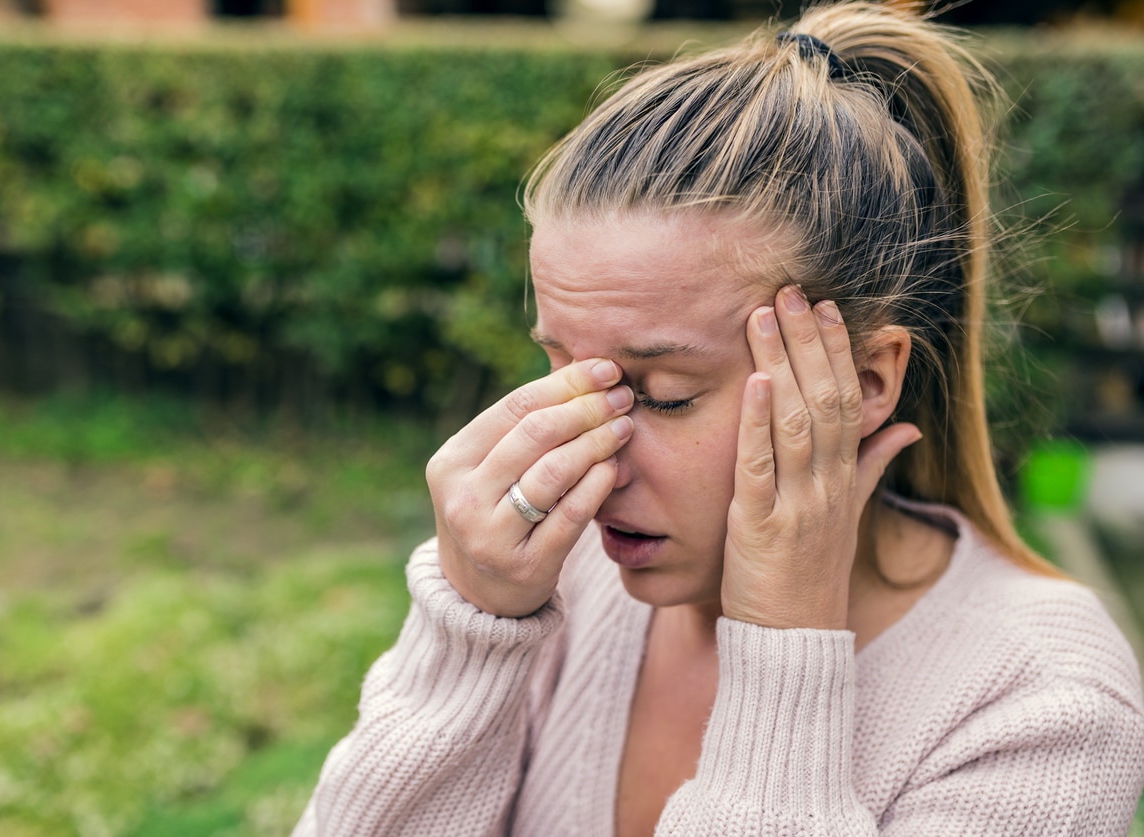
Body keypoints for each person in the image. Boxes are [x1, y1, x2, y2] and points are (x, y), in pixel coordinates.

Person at [294, 2, 1144, 834]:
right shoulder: (560, 582)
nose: (592, 458)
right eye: (564, 372)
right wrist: (472, 632)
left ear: (869, 379)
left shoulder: (1043, 703)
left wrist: (781, 651)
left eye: (663, 391)